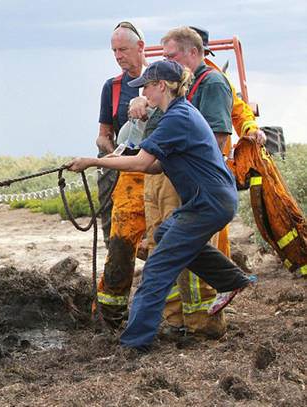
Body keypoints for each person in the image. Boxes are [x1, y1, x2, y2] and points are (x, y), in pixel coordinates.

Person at [68, 59, 255, 350]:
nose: (142, 93)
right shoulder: (176, 115)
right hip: (207, 200)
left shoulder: (176, 118)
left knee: (156, 269)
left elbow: (142, 162)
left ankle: (134, 343)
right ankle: (232, 279)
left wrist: (93, 161)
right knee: (165, 233)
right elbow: (154, 166)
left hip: (209, 202)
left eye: (146, 87)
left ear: (162, 86)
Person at [129, 26, 242, 338]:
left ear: (194, 52)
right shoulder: (174, 95)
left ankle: (203, 324)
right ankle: (177, 320)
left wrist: (188, 180)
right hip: (167, 179)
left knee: (180, 254)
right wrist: (140, 106)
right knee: (163, 245)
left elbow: (216, 140)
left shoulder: (213, 83)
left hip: (191, 187)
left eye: (171, 56)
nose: (169, 61)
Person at [94, 21, 148, 328]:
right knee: (117, 242)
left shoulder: (162, 79)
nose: (118, 56)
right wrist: (109, 151)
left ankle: (162, 307)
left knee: (160, 240)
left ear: (140, 47)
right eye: (114, 51)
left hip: (155, 172)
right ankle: (111, 314)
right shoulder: (112, 88)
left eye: (123, 50)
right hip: (121, 171)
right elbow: (103, 134)